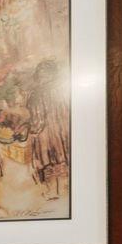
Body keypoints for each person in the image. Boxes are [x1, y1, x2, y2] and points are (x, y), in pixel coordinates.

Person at [26, 58, 70, 200]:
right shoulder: (62, 90)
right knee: (61, 158)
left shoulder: (36, 94)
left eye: (43, 74)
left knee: (47, 161)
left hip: (45, 134)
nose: (42, 77)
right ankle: (63, 189)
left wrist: (32, 131)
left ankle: (52, 191)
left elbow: (37, 118)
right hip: (62, 131)